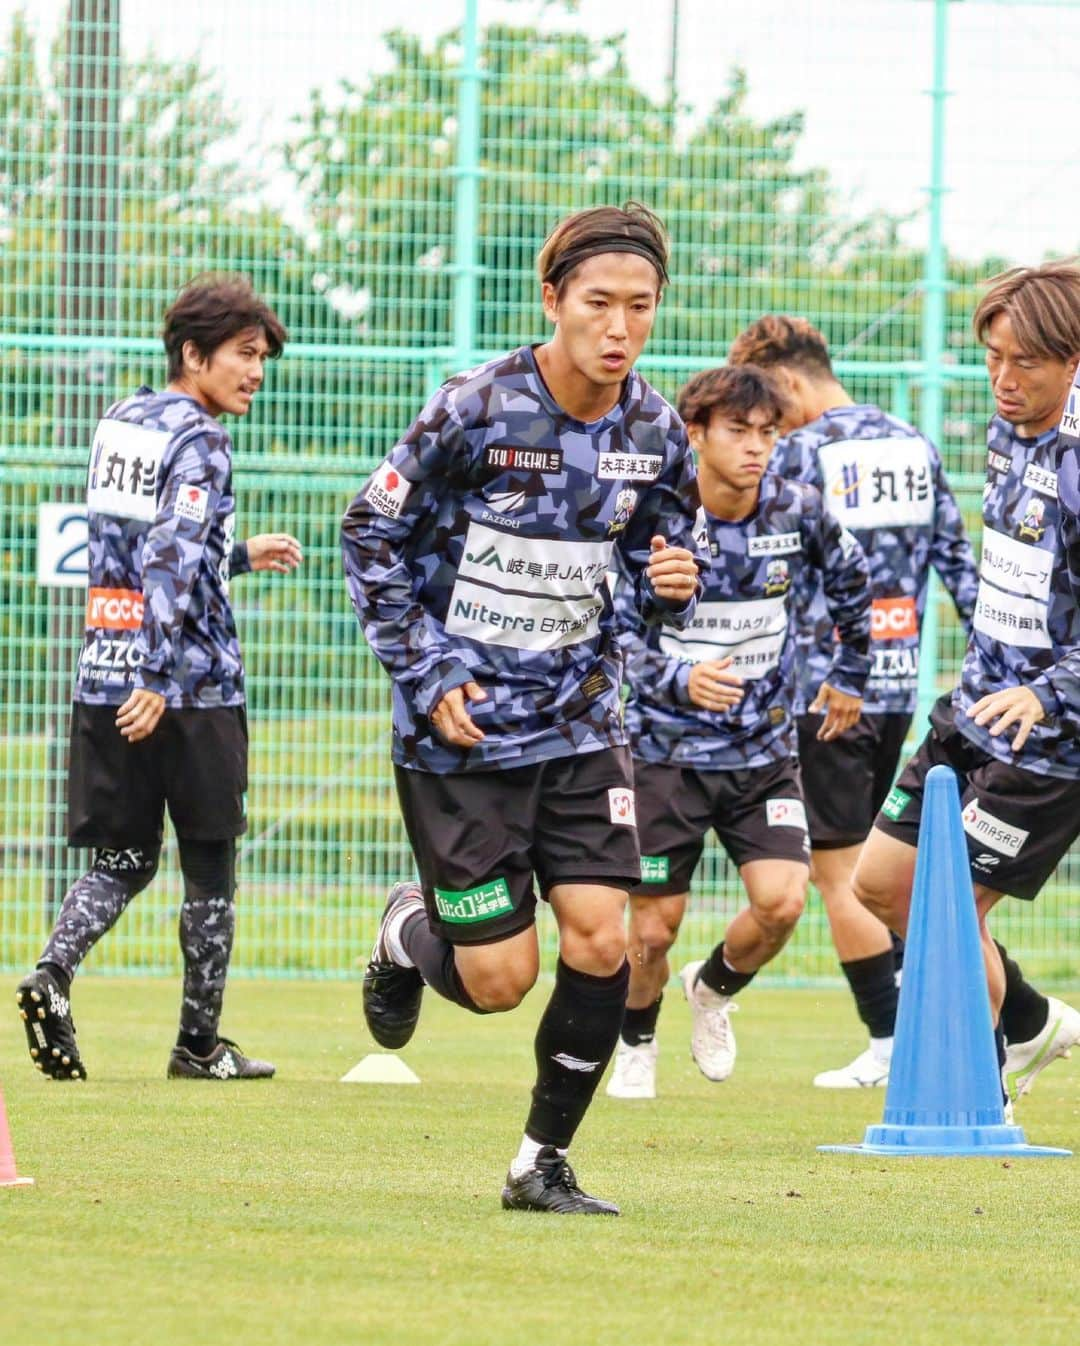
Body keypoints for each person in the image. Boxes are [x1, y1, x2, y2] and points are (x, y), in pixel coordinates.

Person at [341, 204, 707, 1215]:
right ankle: (407, 931)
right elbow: (368, 533)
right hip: (461, 732)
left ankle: (539, 1160)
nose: (620, 326)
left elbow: (657, 563)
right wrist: (427, 671)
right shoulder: (475, 407)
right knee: (499, 976)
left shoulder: (657, 430)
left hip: (588, 721)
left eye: (640, 306)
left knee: (604, 936)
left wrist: (678, 579)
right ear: (553, 299)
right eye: (599, 303)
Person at [16, 275, 302, 1082]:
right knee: (209, 860)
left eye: (260, 359)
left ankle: (53, 972)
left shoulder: (120, 420)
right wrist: (160, 673)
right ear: (192, 353)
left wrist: (240, 555)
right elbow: (171, 554)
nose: (255, 372)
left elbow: (134, 549)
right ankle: (199, 1045)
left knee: (123, 859)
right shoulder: (203, 437)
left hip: (105, 671)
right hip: (186, 683)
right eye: (244, 356)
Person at [726, 315, 981, 1089]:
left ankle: (889, 1040)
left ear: (792, 381)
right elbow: (961, 570)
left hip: (824, 690)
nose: (763, 427)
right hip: (900, 687)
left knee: (840, 874)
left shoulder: (799, 455)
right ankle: (923, 1025)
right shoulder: (914, 444)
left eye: (769, 405)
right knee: (885, 867)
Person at [606, 363, 871, 1100]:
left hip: (762, 755)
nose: (756, 448)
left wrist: (852, 673)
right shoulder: (655, 522)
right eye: (738, 432)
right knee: (652, 930)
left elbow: (856, 589)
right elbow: (611, 632)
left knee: (784, 902)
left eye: (768, 434)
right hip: (665, 756)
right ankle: (637, 1040)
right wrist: (676, 679)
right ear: (696, 434)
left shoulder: (799, 510)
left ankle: (714, 990)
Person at [852, 262, 1080, 1099]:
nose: (1004, 378)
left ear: (1075, 359)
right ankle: (1027, 1021)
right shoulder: (1003, 428)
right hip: (973, 705)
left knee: (953, 914)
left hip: (1050, 740)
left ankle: (973, 1096)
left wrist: (1049, 692)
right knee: (880, 886)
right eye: (992, 357)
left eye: (1025, 362)